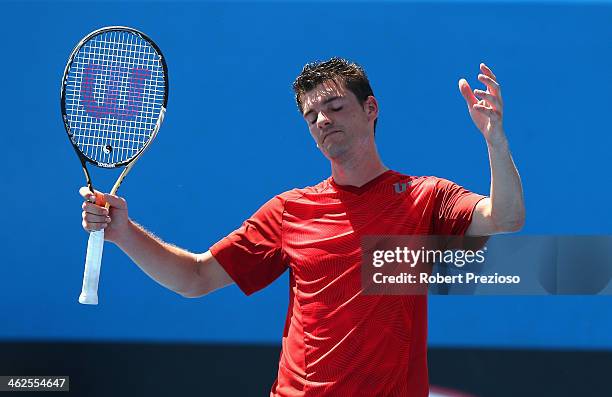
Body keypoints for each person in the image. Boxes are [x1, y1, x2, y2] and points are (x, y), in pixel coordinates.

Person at [80, 57, 525, 396]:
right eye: (311, 116)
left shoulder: (425, 197)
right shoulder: (289, 211)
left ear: (370, 108)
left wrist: (495, 139)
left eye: (334, 106)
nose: (322, 121)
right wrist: (123, 232)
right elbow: (195, 278)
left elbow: (506, 218)